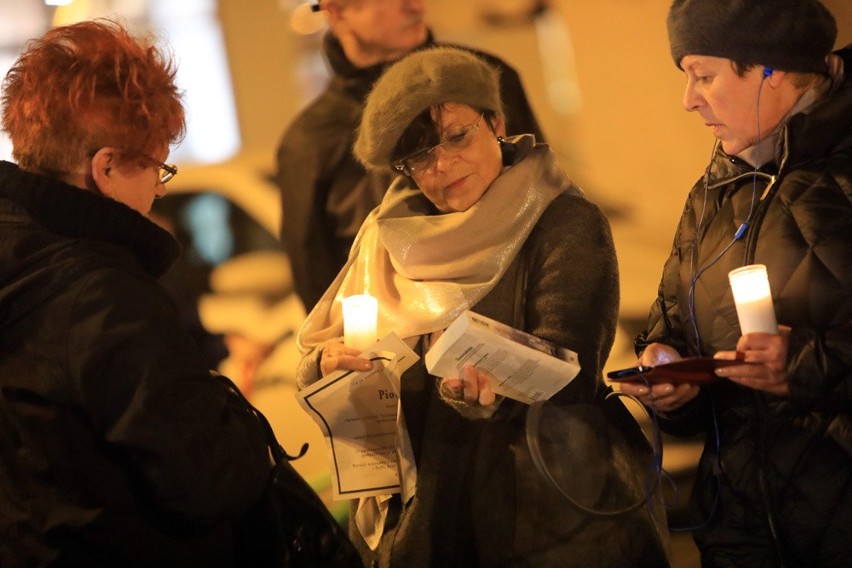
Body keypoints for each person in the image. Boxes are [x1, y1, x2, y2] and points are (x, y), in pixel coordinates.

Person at [296, 46, 669, 567]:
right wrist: (328, 365)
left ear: (495, 121)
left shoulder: (561, 220)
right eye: (420, 156)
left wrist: (488, 394)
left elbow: (571, 370)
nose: (444, 165)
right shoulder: (384, 239)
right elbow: (321, 348)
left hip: (542, 516)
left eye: (457, 136)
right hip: (427, 508)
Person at [0, 20, 285, 566]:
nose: (159, 187)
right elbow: (208, 481)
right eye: (156, 167)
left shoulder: (22, 263)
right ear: (105, 167)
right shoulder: (105, 298)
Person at [617, 1, 852, 566]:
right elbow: (674, 326)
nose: (689, 99)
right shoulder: (717, 188)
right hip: (739, 526)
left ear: (771, 69)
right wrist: (672, 381)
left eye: (704, 75)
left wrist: (799, 366)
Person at [275, 0, 543, 312]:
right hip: (392, 343)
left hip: (517, 319)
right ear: (337, 12)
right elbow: (318, 288)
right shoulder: (309, 142)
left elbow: (541, 192)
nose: (416, 6)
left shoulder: (488, 80)